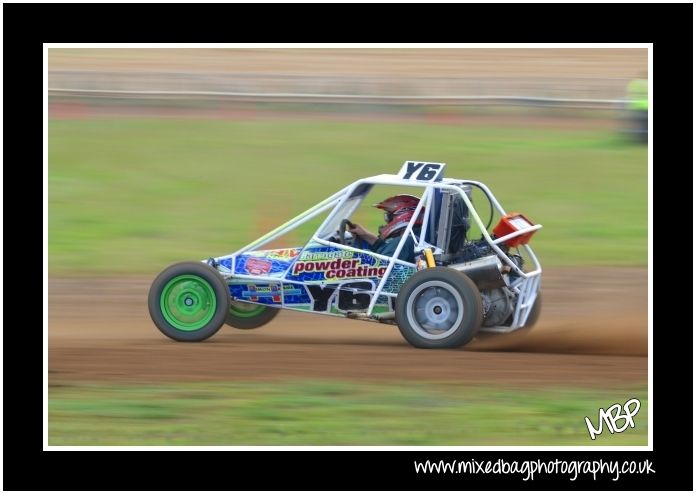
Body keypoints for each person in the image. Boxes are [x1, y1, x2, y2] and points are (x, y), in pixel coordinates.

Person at [348, 194, 423, 263]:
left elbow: (381, 266)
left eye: (388, 216)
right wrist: (366, 235)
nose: (387, 221)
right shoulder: (414, 239)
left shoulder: (405, 241)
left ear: (403, 215)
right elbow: (386, 248)